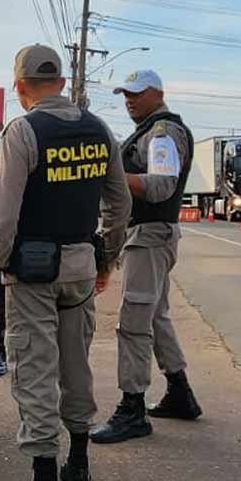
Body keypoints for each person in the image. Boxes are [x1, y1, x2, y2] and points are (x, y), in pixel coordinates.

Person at [0, 44, 130, 481]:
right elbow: (120, 204)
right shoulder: (99, 130)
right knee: (75, 363)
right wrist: (106, 258)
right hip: (80, 268)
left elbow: (1, 216)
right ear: (60, 82)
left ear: (20, 87)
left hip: (33, 273)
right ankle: (77, 465)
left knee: (35, 370)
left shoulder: (23, 132)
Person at [90, 69, 202, 446]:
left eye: (138, 93)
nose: (130, 100)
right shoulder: (151, 131)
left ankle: (132, 409)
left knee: (134, 323)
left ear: (159, 93)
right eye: (125, 94)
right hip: (150, 235)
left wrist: (110, 174)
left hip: (150, 235)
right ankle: (180, 393)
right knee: (155, 316)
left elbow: (160, 185)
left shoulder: (163, 134)